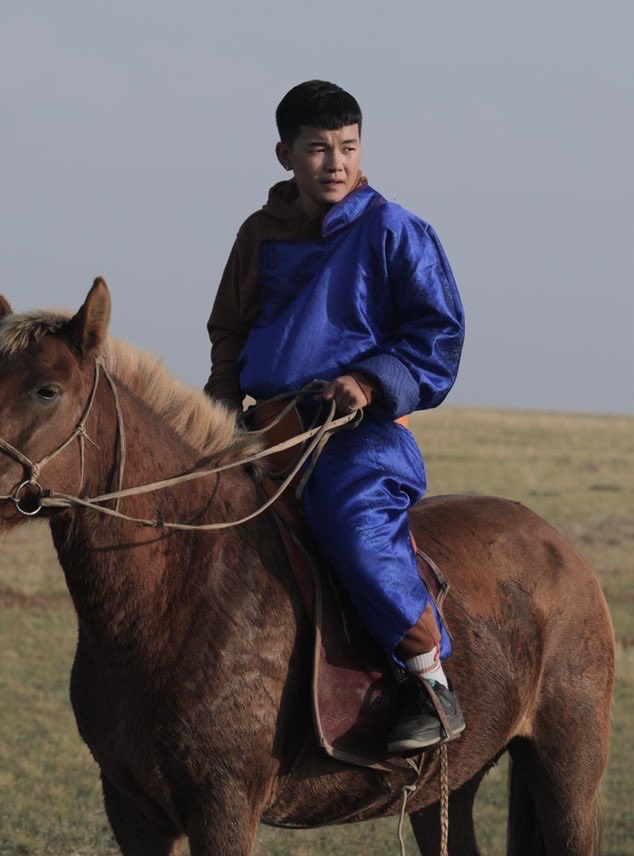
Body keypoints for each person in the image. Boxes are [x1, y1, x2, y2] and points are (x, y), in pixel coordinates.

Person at [204, 80, 465, 752]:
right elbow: (230, 329)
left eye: (348, 147)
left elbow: (437, 335)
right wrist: (223, 396)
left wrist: (371, 380)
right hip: (268, 431)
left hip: (359, 437)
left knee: (354, 531)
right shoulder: (258, 233)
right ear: (285, 154)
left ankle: (428, 679)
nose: (335, 163)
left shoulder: (395, 230)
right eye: (318, 149)